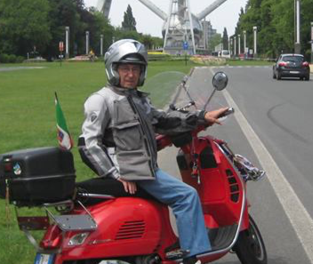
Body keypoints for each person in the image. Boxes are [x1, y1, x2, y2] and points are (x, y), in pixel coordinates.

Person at [78, 39, 228, 264]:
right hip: (135, 172)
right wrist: (116, 174)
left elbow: (164, 121)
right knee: (187, 196)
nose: (131, 74)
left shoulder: (137, 99)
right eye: (125, 68)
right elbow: (88, 144)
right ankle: (192, 257)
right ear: (113, 69)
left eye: (136, 69)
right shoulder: (101, 100)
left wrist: (201, 117)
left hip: (143, 169)